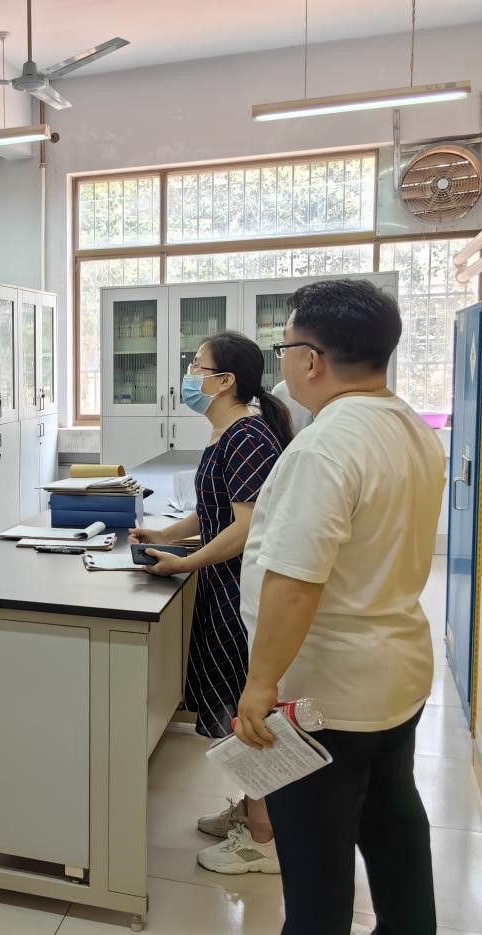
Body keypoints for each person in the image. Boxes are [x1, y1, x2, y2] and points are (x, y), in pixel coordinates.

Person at [235, 280, 444, 935]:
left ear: (312, 359)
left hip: (324, 695)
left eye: (285, 348)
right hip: (394, 674)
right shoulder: (408, 425)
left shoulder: (325, 447)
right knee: (393, 820)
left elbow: (296, 581)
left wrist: (261, 684)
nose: (284, 362)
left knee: (317, 864)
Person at [128, 330, 292, 876]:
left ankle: (263, 838)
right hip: (223, 586)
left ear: (224, 381)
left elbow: (245, 528)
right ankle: (252, 810)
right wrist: (165, 534)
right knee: (230, 703)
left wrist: (184, 562)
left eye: (196, 366)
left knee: (245, 713)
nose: (188, 375)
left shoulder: (247, 437)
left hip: (240, 592)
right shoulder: (227, 433)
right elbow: (213, 510)